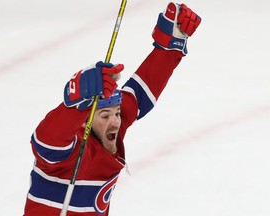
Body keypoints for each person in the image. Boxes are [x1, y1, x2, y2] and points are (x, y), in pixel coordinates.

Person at [23, 2, 201, 215]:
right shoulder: (72, 152)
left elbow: (140, 93)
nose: (115, 121)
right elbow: (46, 141)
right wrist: (74, 104)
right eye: (105, 115)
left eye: (116, 113)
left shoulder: (108, 131)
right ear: (86, 120)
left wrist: (171, 46)